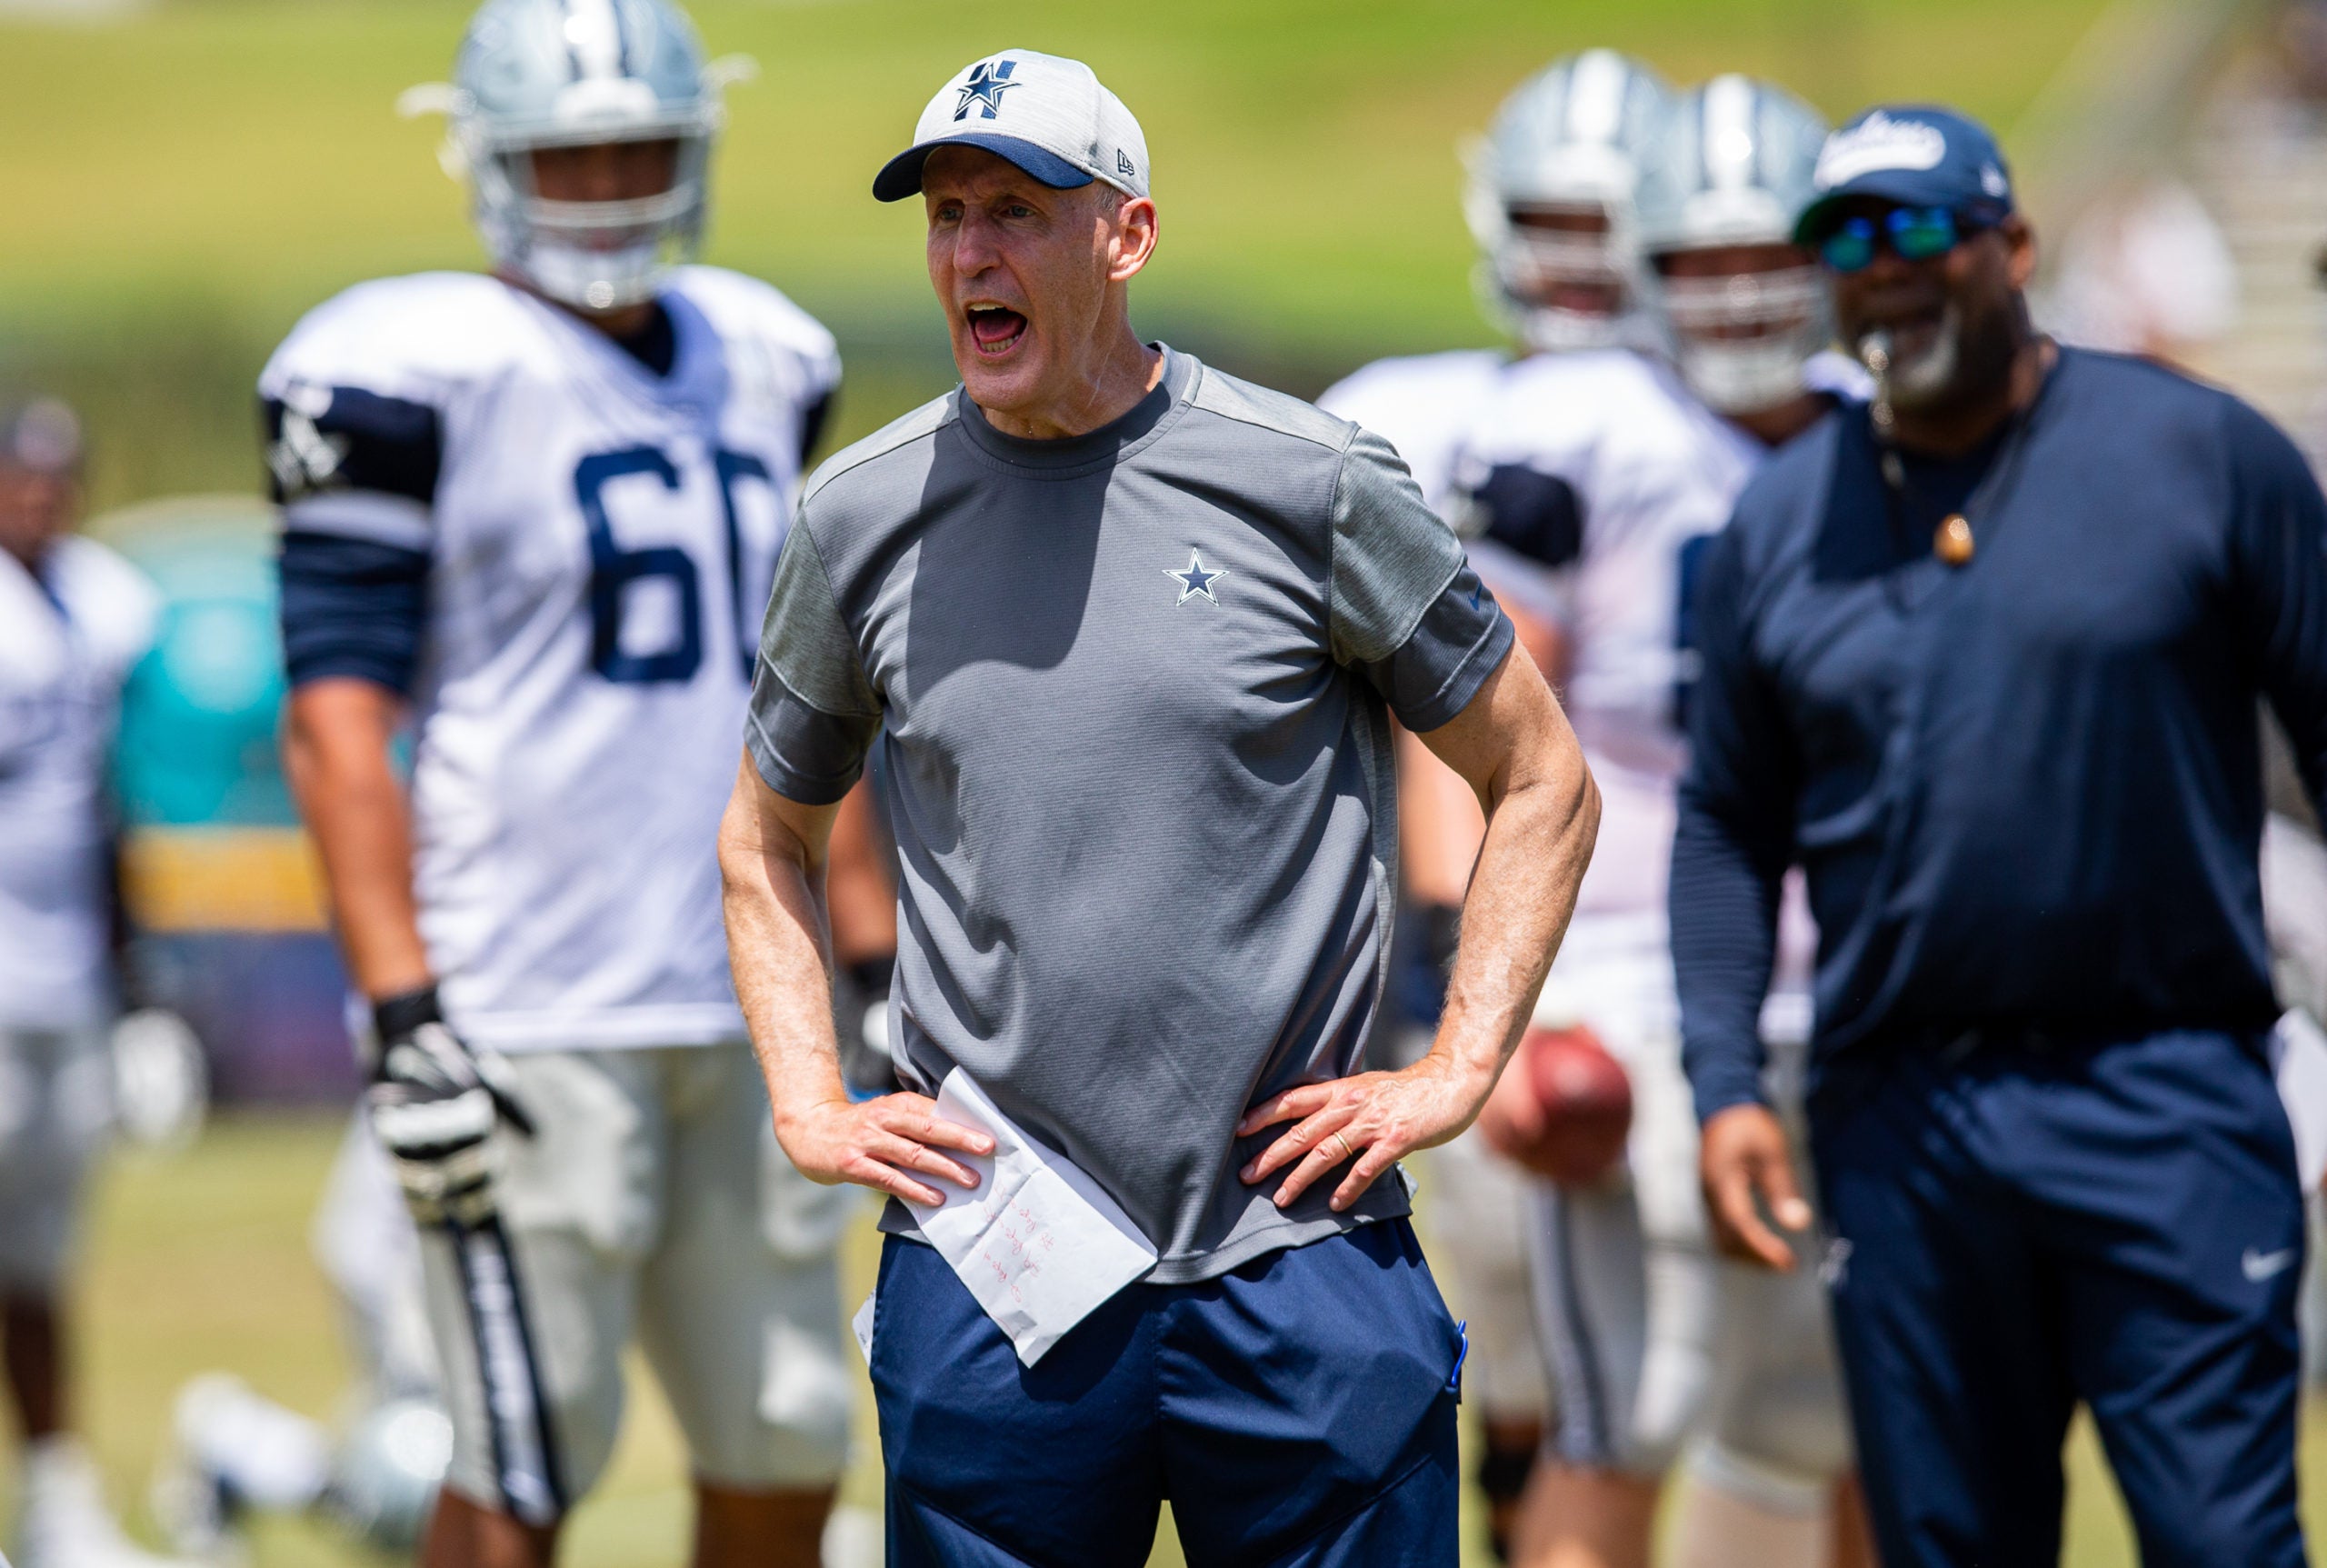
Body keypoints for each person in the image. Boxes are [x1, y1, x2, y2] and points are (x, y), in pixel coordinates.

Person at [719, 47, 1600, 1566]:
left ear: (1125, 237)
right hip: (995, 1271)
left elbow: (1540, 776)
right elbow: (764, 842)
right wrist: (809, 1100)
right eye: (946, 216)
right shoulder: (856, 518)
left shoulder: (1309, 482)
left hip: (1301, 1252)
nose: (971, 253)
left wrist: (1454, 1068)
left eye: (1016, 210)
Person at [1676, 103, 2327, 1567]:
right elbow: (1726, 819)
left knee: (2227, 1543)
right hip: (1901, 1121)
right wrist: (1723, 1078)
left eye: (1919, 228)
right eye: (1845, 238)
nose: (1883, 268)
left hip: (2168, 1095)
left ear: (2014, 244)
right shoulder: (1780, 524)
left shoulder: (2203, 457)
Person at [264, 1, 854, 1563]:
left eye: (636, 149)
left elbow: (823, 704)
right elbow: (335, 722)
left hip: (751, 990)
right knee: (525, 1461)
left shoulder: (768, 353)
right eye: (569, 155)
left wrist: (865, 956)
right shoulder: (407, 367)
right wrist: (403, 1011)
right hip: (526, 998)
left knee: (787, 1439)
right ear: (490, 162)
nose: (606, 183)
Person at [1452, 75, 1873, 1568]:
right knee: (1625, 1402)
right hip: (1623, 966)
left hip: (1857, 978)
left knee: (1831, 1409)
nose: (1740, 290)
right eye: (1701, 256)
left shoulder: (1890, 432)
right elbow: (1480, 739)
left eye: (1769, 252)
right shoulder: (1578, 423)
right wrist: (1480, 999)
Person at [1314, 49, 1669, 1557]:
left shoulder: (1701, 428)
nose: (1575, 261)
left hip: (1630, 928)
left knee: (1659, 1378)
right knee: (1499, 1356)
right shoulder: (1395, 409)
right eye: (1553, 219)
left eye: (1605, 223)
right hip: (1455, 933)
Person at [0, 399, 189, 1568]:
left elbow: (110, 813)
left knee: (38, 1254)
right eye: (21, 475)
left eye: (55, 478)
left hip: (64, 976)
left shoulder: (106, 604)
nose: (40, 496)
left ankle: (56, 1496)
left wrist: (143, 992)